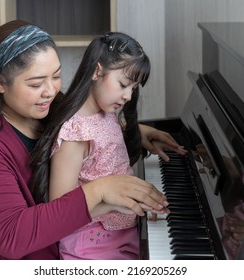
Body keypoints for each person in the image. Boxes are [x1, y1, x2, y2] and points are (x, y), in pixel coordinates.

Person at [0, 20, 185, 260]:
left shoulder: (45, 110)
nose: (50, 91)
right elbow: (12, 236)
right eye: (36, 84)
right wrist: (99, 190)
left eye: (56, 76)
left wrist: (135, 131)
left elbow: (82, 126)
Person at [30, 32, 173, 260]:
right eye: (123, 84)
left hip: (120, 233)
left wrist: (140, 131)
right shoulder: (75, 135)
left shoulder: (104, 113)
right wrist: (117, 205)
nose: (127, 95)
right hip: (92, 245)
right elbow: (60, 210)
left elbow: (105, 143)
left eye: (134, 88)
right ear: (97, 71)